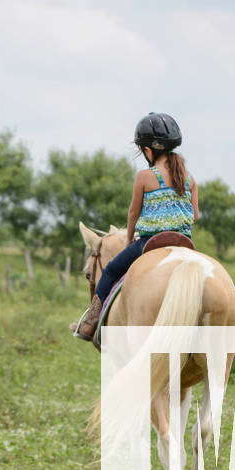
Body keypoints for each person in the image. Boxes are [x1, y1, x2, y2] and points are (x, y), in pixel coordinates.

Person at [73, 112, 200, 341]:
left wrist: (130, 239)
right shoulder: (189, 178)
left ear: (148, 151)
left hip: (150, 242)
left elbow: (133, 213)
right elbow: (195, 215)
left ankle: (89, 323)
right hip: (185, 243)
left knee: (110, 271)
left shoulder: (144, 176)